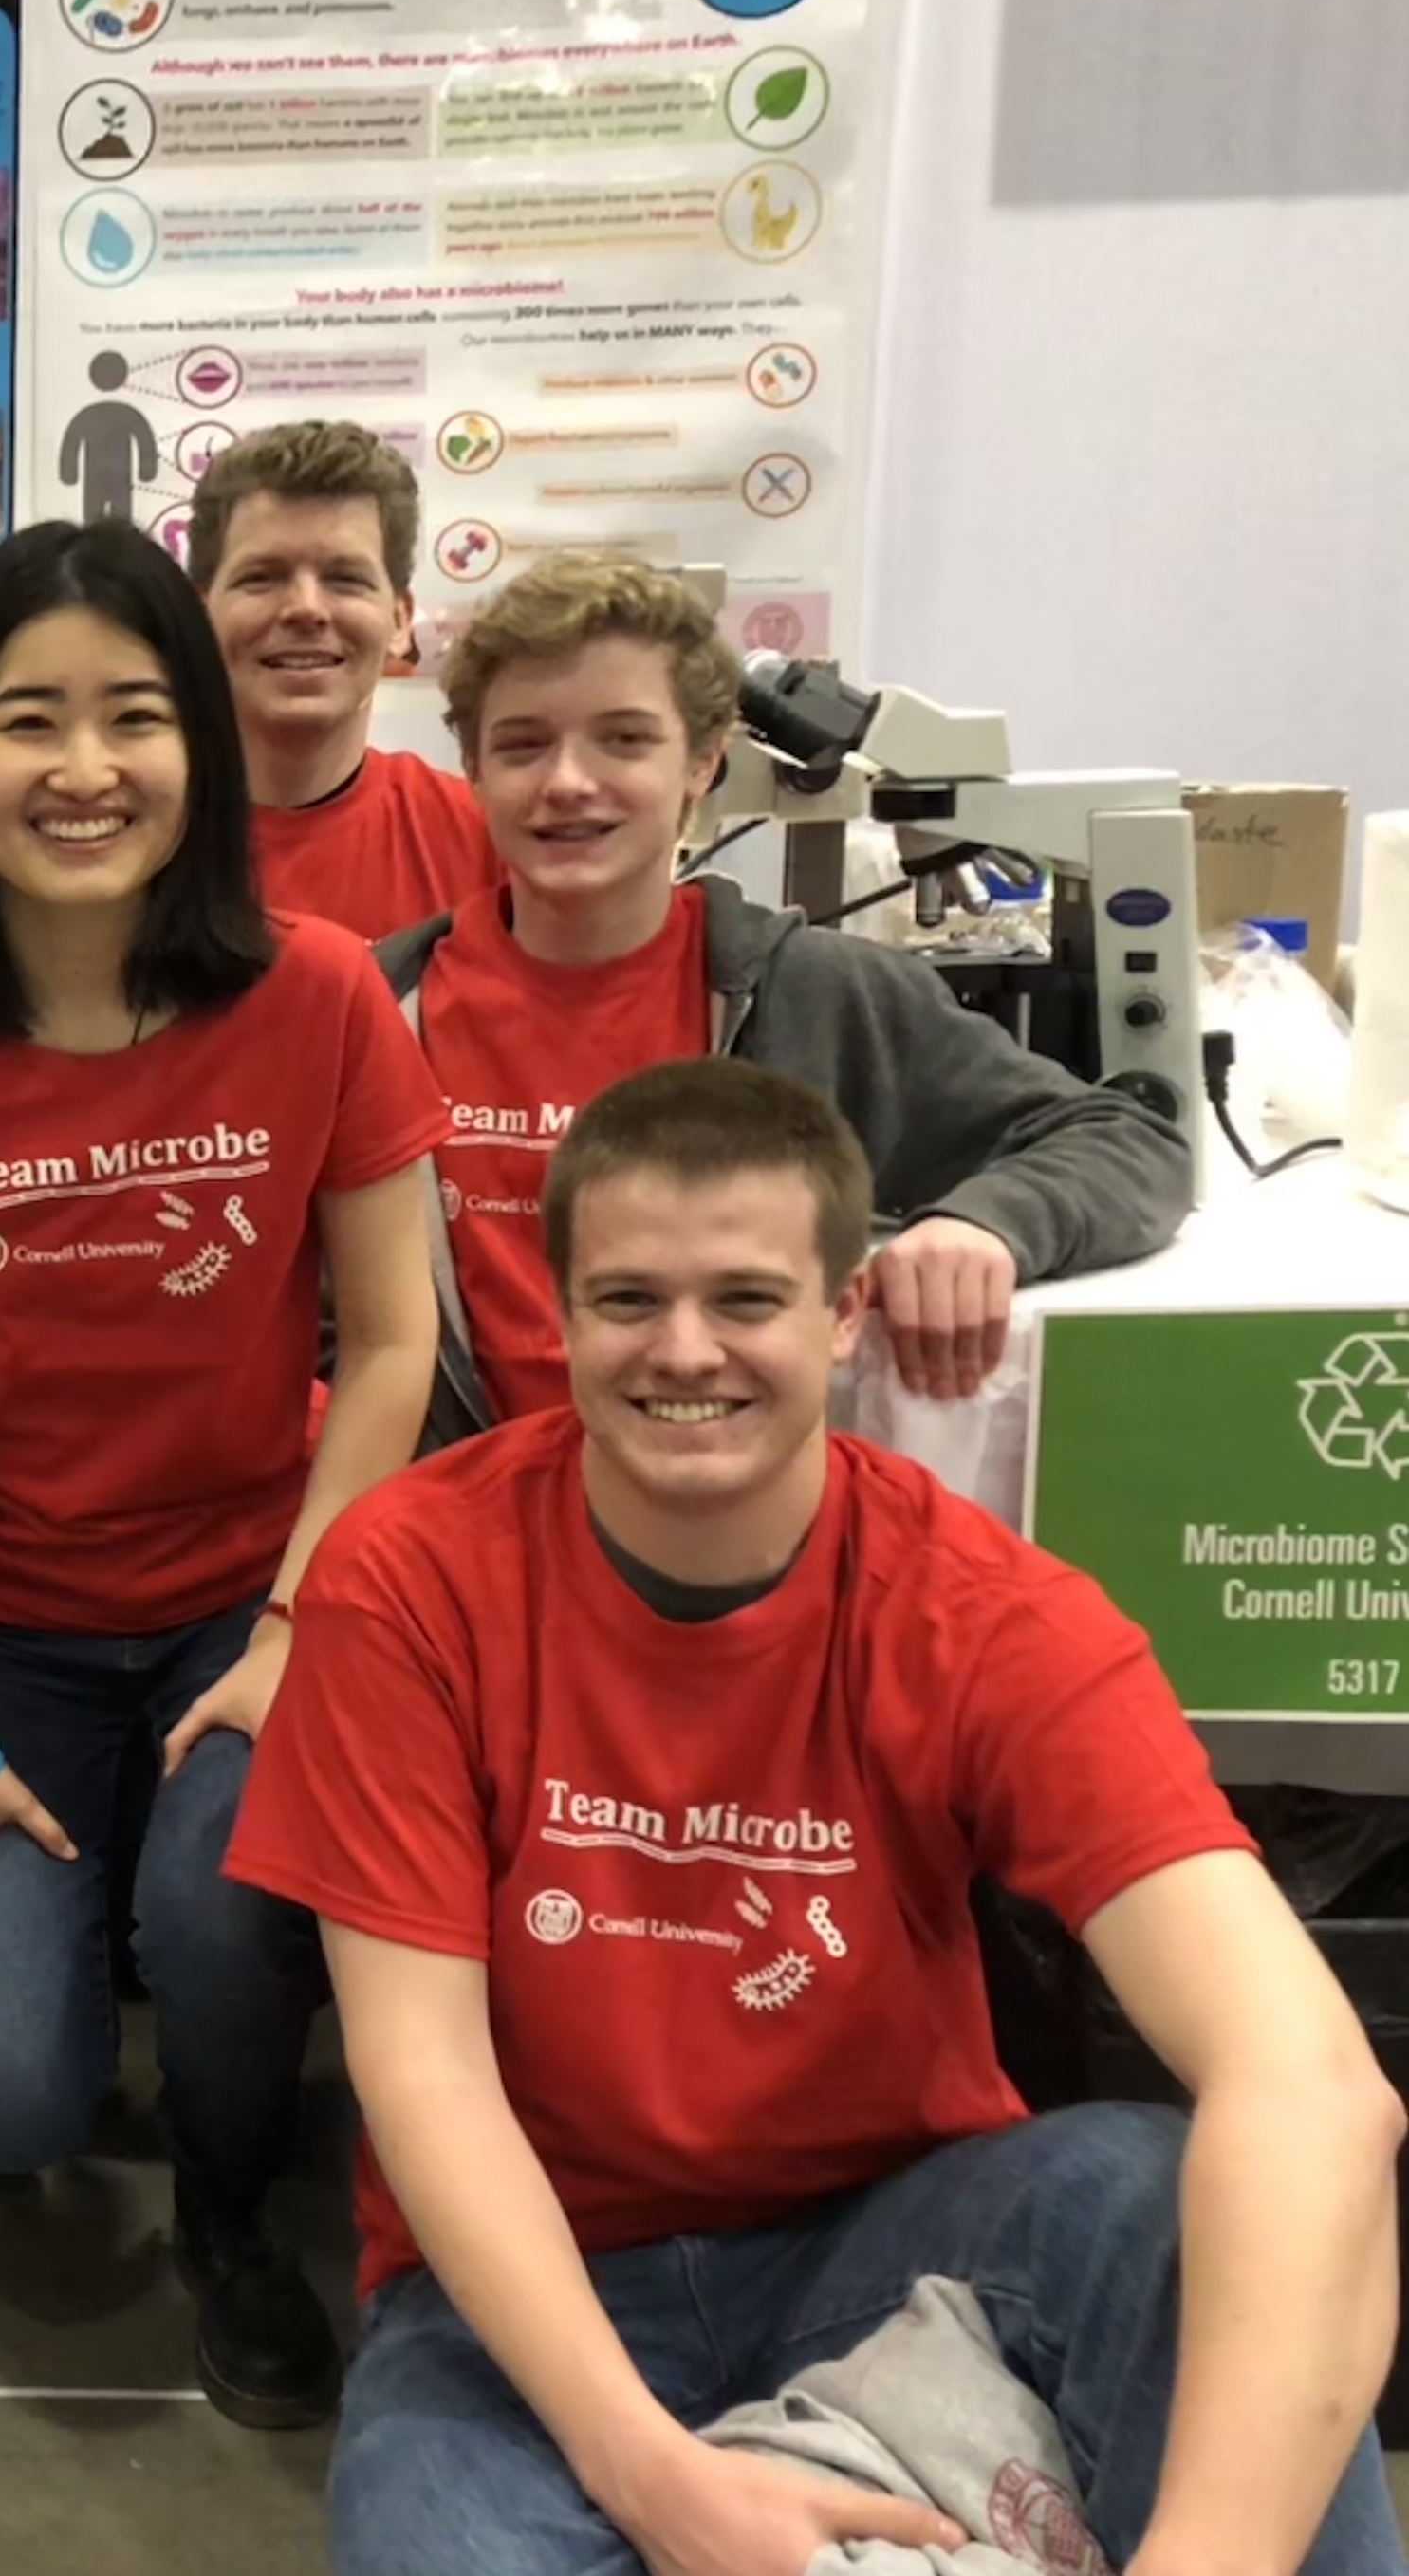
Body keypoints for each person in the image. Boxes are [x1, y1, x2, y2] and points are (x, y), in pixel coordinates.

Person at [229, 1057, 1405, 2576]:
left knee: (1179, 2200)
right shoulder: (406, 1580)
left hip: (900, 2231)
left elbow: (1312, 2085)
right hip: (531, 2279)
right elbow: (422, 2075)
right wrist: (651, 2477)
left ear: (846, 1313)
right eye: (628, 1299)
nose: (685, 1351)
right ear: (553, 1311)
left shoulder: (982, 1614)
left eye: (746, 1299)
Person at [0, 521, 450, 2427]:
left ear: (201, 752)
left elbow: (390, 1344)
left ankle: (237, 2213)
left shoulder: (317, 995)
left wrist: (297, 1625)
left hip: (253, 1594)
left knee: (226, 1921)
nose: (82, 768)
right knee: (0, 2094)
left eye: (136, 716)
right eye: (25, 718)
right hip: (9, 1630)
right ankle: (25, 2078)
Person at [380, 552, 1194, 1438]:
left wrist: (988, 1224)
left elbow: (1133, 1140)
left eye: (623, 739)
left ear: (702, 763)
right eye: (524, 744)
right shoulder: (380, 1009)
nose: (568, 782)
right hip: (452, 1541)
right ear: (473, 768)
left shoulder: (821, 998)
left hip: (731, 1529)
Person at [185, 418, 498, 939]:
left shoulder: (488, 840)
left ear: (399, 621)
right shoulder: (130, 840)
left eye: (345, 579)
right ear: (198, 616)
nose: (305, 608)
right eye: (261, 577)